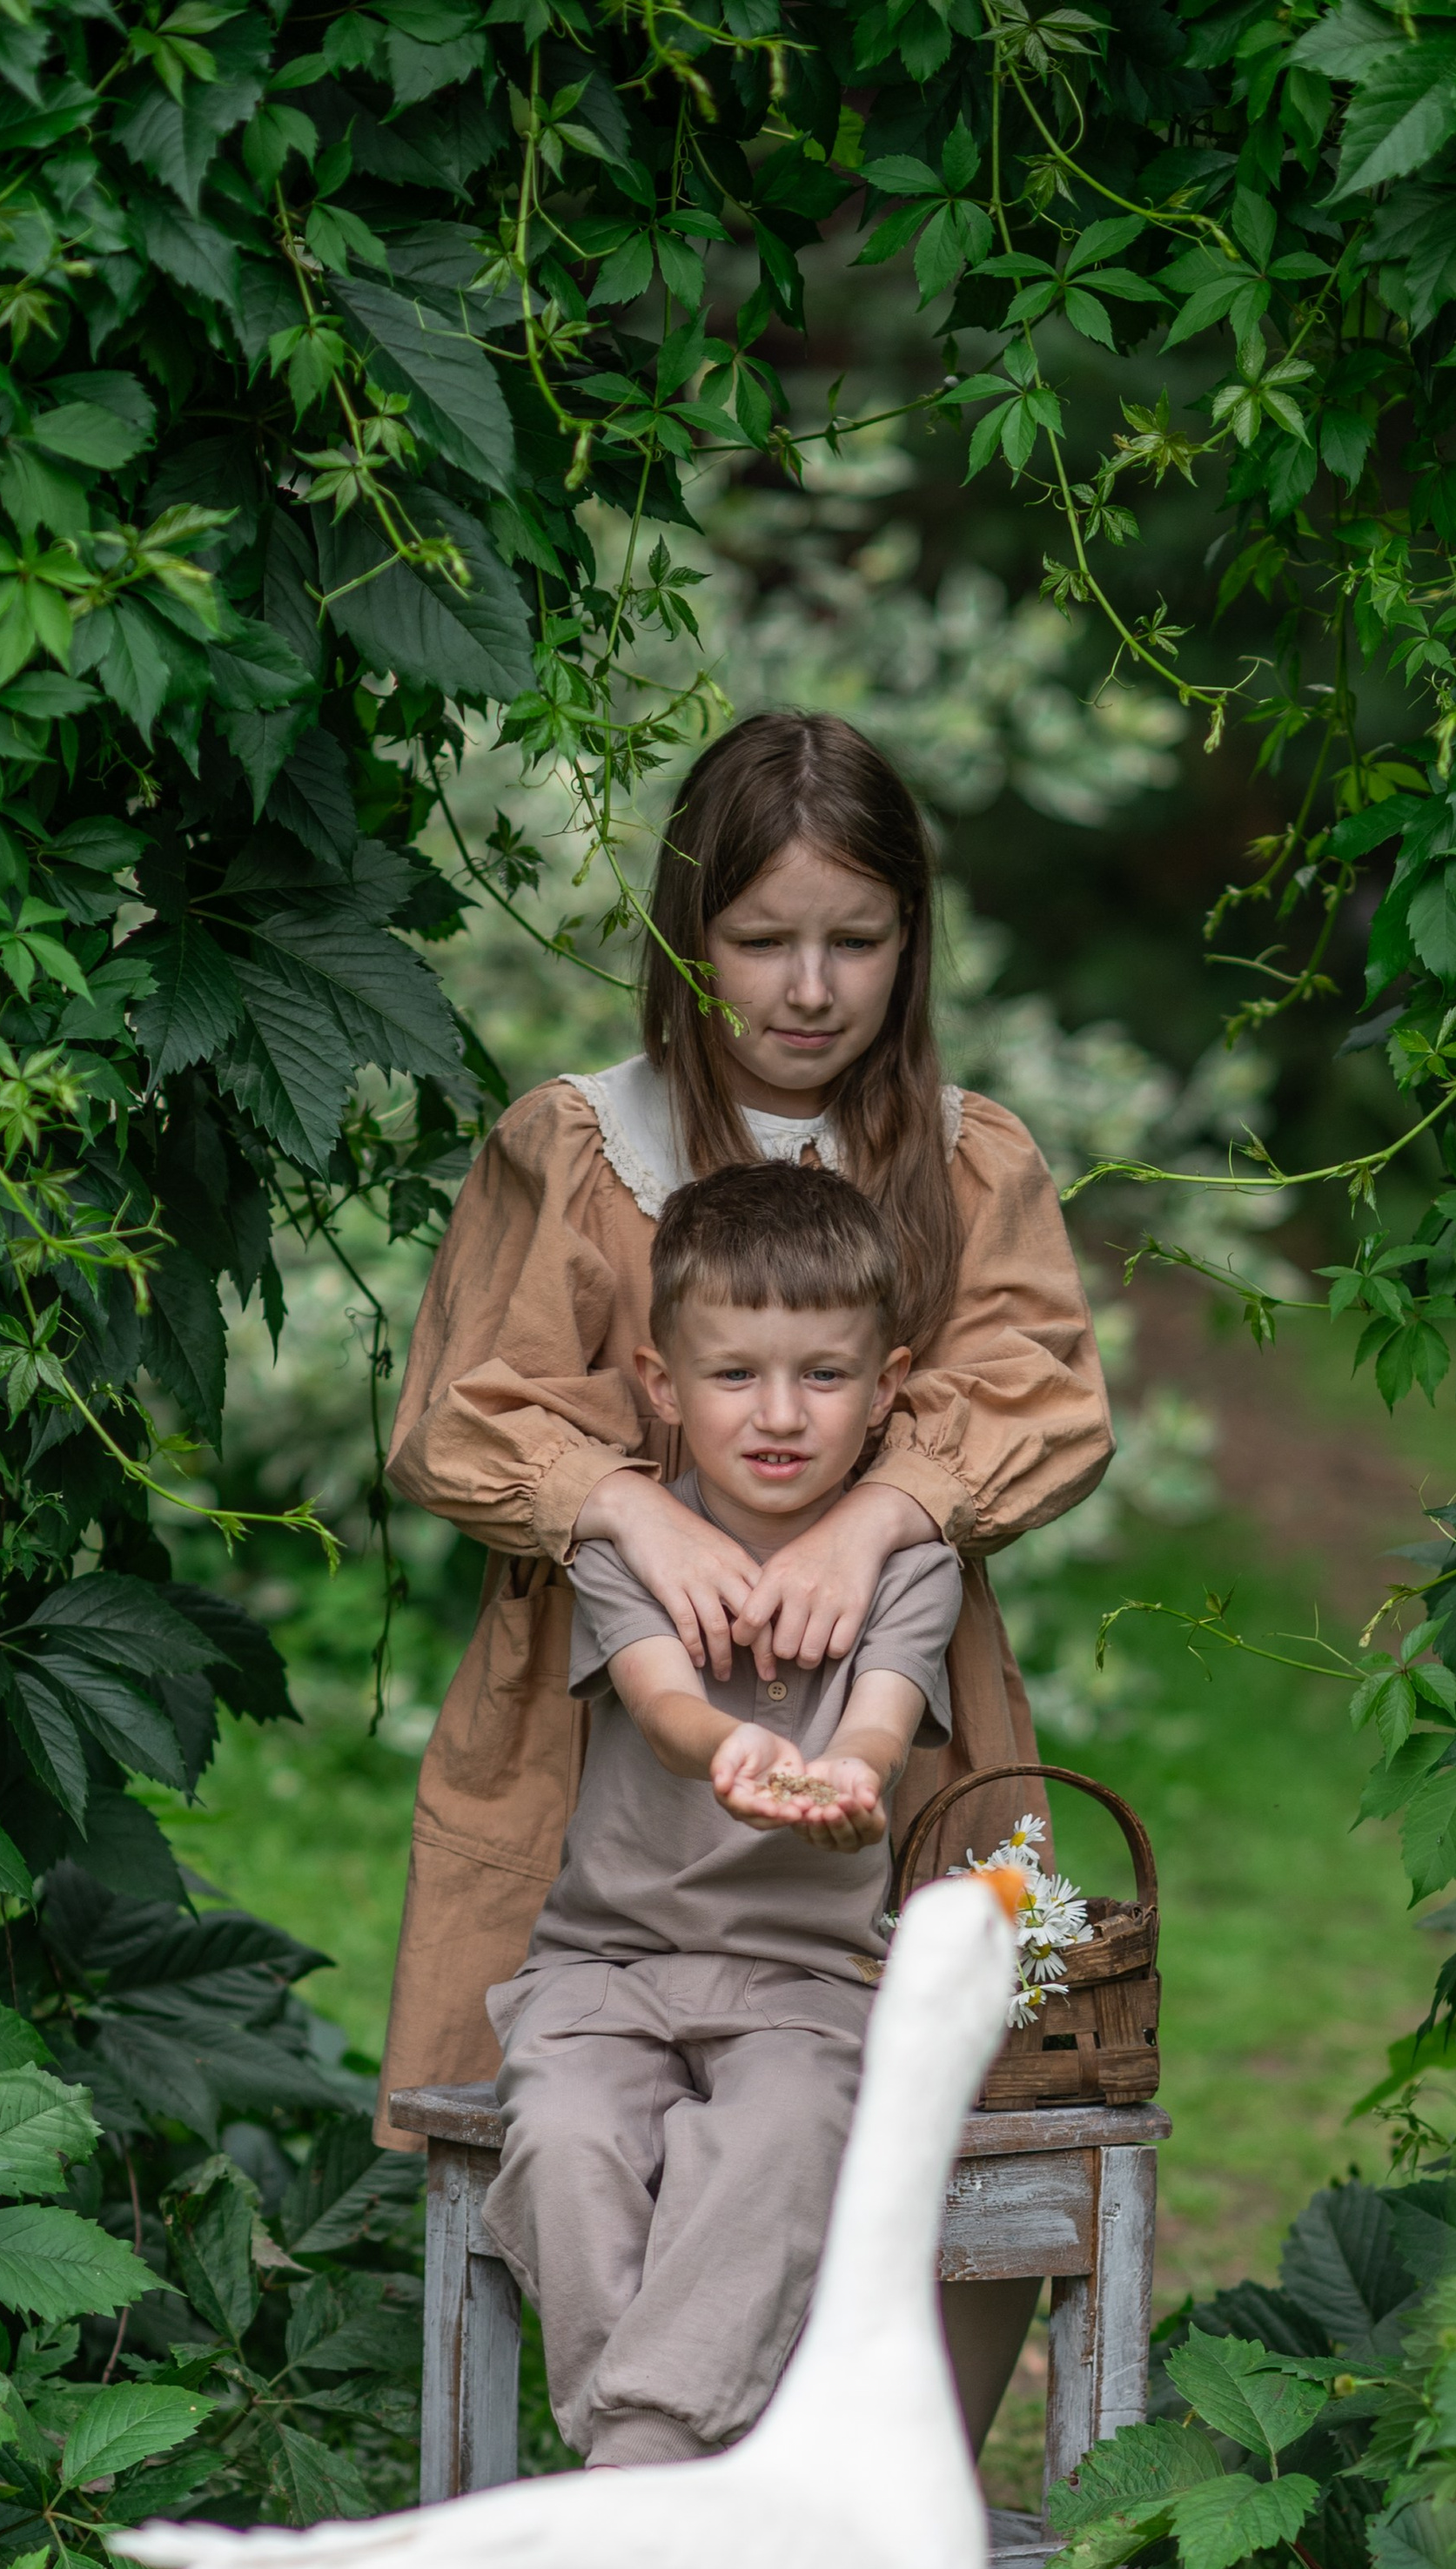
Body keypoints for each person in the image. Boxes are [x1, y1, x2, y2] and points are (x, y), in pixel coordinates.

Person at [381, 709, 1113, 2444]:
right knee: (578, 2098)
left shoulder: (960, 1152)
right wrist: (636, 1513)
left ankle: (861, 2475)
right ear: (684, 937)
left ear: (908, 943)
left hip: (896, 1704)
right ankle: (687, 2466)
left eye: (854, 939)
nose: (806, 984)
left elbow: (1038, 1395)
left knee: (956, 2074)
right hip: (613, 1753)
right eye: (760, 938)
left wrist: (878, 1512)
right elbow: (457, 1413)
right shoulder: (580, 1144)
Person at [484, 1162, 963, 2464]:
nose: (780, 1414)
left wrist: (849, 1780)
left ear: (889, 1385)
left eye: (823, 1375)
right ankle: (657, 2462)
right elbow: (664, 1711)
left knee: (785, 2136)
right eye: (735, 1374)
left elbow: (879, 1718)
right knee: (568, 2138)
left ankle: (638, 2457)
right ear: (661, 1384)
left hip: (803, 1981)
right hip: (606, 1966)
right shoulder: (625, 1547)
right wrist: (734, 1750)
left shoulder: (912, 1566)